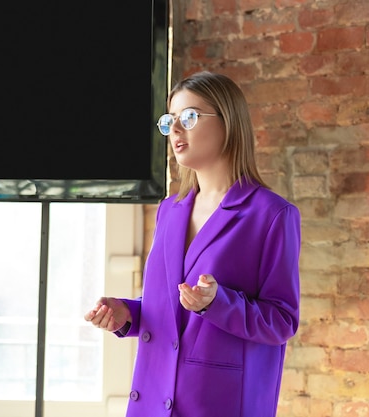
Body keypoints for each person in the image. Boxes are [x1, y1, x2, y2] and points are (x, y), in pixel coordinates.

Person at [84, 71, 301, 417]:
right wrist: (126, 314)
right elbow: (170, 309)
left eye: (189, 117)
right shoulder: (170, 211)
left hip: (220, 404)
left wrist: (217, 303)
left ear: (228, 123)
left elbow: (282, 321)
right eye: (169, 121)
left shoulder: (272, 215)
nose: (176, 130)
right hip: (154, 402)